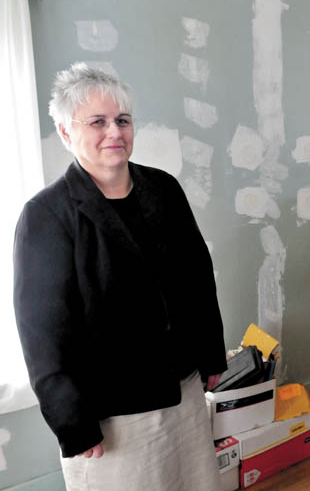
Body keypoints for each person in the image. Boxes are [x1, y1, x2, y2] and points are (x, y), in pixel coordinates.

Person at [13, 63, 227, 490]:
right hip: (112, 414)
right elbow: (43, 331)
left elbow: (197, 277)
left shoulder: (163, 189)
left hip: (182, 391)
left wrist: (211, 354)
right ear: (65, 132)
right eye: (97, 122)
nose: (115, 132)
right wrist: (72, 422)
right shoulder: (47, 216)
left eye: (122, 120)